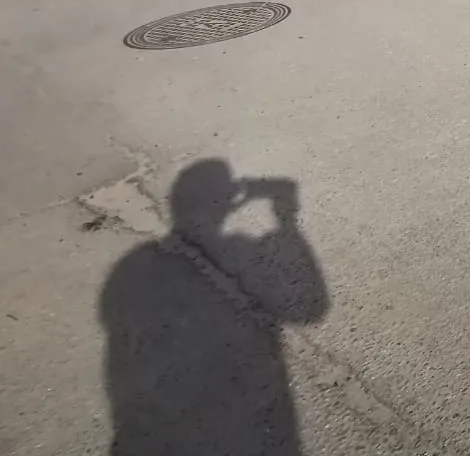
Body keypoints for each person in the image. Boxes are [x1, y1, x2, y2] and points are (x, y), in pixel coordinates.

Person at [99, 160, 328, 455]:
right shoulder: (239, 250)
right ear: (229, 201)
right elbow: (311, 309)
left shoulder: (132, 266)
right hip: (246, 427)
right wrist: (286, 219)